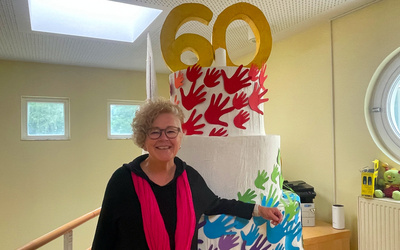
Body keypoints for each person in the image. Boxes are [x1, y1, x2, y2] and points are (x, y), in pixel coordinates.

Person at [92, 98, 283, 250]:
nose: (164, 138)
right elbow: (103, 240)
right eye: (155, 132)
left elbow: (215, 203)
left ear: (180, 137)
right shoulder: (122, 181)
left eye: (171, 131)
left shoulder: (189, 178)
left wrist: (259, 210)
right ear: (143, 138)